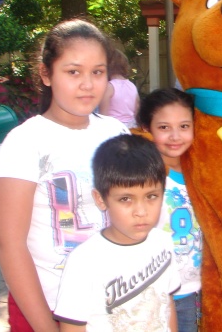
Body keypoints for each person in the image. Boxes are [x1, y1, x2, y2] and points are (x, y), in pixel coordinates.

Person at [0, 19, 129, 332]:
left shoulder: (117, 132)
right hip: (48, 308)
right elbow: (7, 242)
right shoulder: (25, 142)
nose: (88, 84)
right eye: (73, 71)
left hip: (115, 306)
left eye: (98, 71)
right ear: (45, 74)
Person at [53, 134, 181, 331]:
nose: (141, 211)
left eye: (151, 196)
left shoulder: (163, 242)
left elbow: (167, 305)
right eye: (125, 199)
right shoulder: (85, 261)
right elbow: (72, 326)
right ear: (100, 199)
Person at [137, 88, 202, 332]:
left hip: (200, 286)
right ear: (146, 128)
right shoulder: (145, 178)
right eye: (164, 127)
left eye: (184, 126)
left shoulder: (199, 172)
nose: (175, 136)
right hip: (166, 294)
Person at [99, 48, 139, 128]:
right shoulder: (132, 86)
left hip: (113, 128)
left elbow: (103, 115)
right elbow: (137, 109)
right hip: (130, 127)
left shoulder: (109, 87)